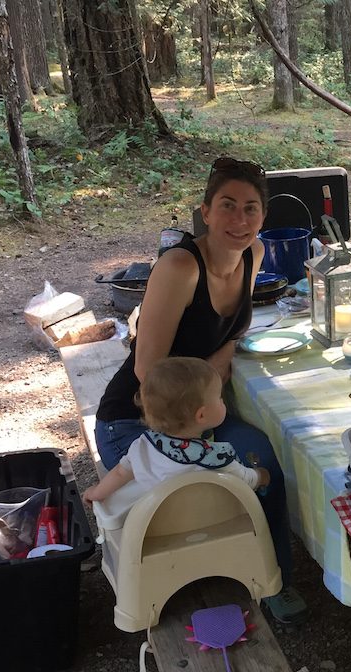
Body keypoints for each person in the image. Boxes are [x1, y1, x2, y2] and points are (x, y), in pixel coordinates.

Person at [92, 157, 307, 624]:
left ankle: (271, 579)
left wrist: (220, 367)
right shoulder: (180, 266)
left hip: (201, 417)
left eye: (251, 209)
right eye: (227, 206)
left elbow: (231, 333)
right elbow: (150, 372)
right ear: (205, 212)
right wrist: (208, 391)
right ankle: (173, 582)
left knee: (261, 458)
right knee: (194, 493)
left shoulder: (255, 254)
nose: (239, 220)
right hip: (142, 420)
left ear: (263, 218)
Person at [82, 357, 269, 505]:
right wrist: (262, 475)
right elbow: (246, 481)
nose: (222, 401)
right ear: (201, 416)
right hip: (211, 525)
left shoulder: (143, 445)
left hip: (158, 526)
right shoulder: (215, 457)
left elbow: (120, 473)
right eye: (219, 397)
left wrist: (96, 493)